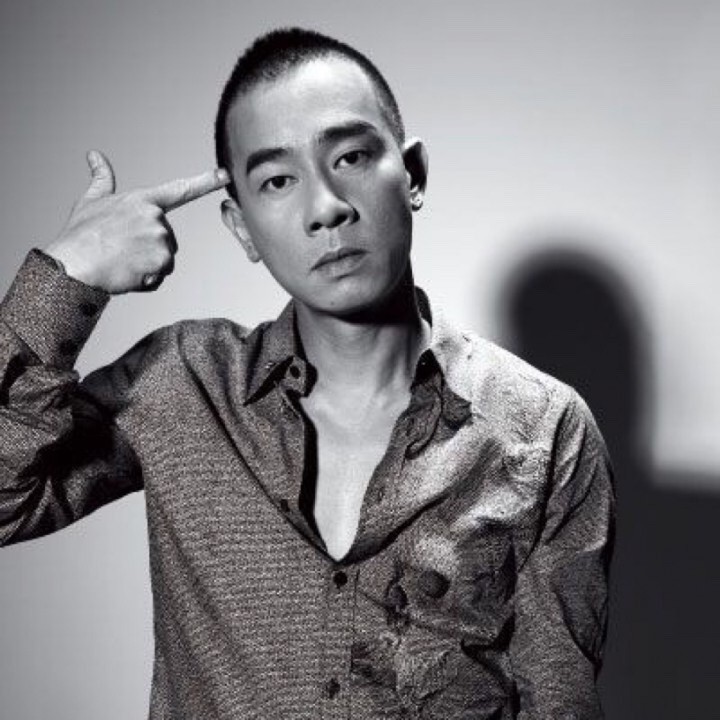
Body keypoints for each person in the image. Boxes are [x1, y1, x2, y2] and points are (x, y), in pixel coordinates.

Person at [0, 26, 615, 720]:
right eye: (278, 180)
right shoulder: (181, 384)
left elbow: (559, 702)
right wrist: (66, 277)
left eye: (350, 156)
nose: (326, 207)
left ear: (412, 175)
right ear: (241, 227)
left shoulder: (545, 428)